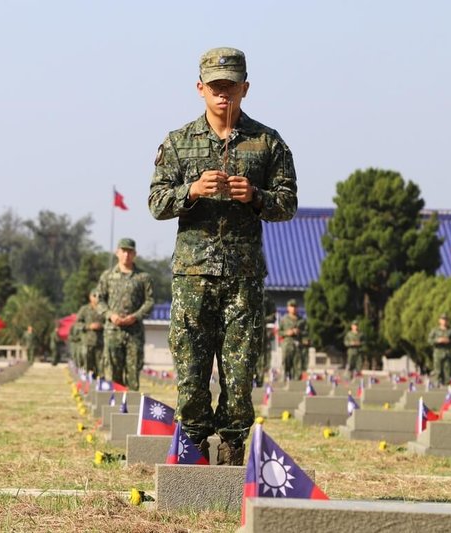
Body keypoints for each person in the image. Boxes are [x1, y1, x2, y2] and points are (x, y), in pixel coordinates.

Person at [148, 47, 297, 465]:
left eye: (230, 87)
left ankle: (233, 452)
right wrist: (190, 191)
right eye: (215, 87)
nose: (223, 96)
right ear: (200, 89)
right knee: (191, 372)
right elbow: (156, 203)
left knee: (239, 373)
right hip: (193, 277)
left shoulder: (267, 143)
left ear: (244, 88)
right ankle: (192, 450)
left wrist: (255, 197)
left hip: (243, 278)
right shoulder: (178, 143)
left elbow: (287, 204)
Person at [95, 238, 154, 390]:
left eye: (130, 251)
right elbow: (99, 300)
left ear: (135, 254)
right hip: (113, 331)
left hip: (134, 332)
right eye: (123, 251)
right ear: (117, 253)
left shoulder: (143, 277)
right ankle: (115, 409)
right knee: (113, 371)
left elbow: (149, 302)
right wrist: (111, 315)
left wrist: (135, 316)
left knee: (133, 371)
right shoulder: (107, 276)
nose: (126, 255)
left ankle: (132, 409)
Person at [75, 290, 105, 376]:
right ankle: (88, 385)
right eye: (94, 296)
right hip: (87, 343)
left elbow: (110, 323)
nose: (96, 298)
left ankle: (100, 386)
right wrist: (89, 326)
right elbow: (77, 324)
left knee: (101, 367)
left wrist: (101, 326)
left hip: (101, 343)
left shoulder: (104, 310)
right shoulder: (84, 309)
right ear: (90, 297)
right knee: (87, 367)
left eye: (99, 296)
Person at [279, 299, 308, 380]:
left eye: (295, 306)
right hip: (287, 344)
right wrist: (287, 333)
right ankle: (284, 381)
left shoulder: (302, 320)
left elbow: (306, 333)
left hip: (298, 344)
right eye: (291, 306)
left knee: (297, 365)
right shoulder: (284, 319)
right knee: (286, 363)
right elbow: (279, 332)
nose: (293, 308)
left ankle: (296, 383)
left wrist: (299, 332)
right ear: (288, 308)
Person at [429, 313, 451, 384]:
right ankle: (437, 384)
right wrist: (437, 340)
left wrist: (449, 341)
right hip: (438, 353)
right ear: (439, 320)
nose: (444, 321)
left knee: (447, 371)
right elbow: (429, 340)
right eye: (442, 319)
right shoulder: (435, 330)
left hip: (447, 353)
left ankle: (446, 385)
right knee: (437, 371)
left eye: (445, 319)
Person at [254, 293, 276, 387]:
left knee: (262, 357)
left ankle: (259, 381)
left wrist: (261, 320)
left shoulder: (267, 297)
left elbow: (273, 316)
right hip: (247, 331)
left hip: (262, 333)